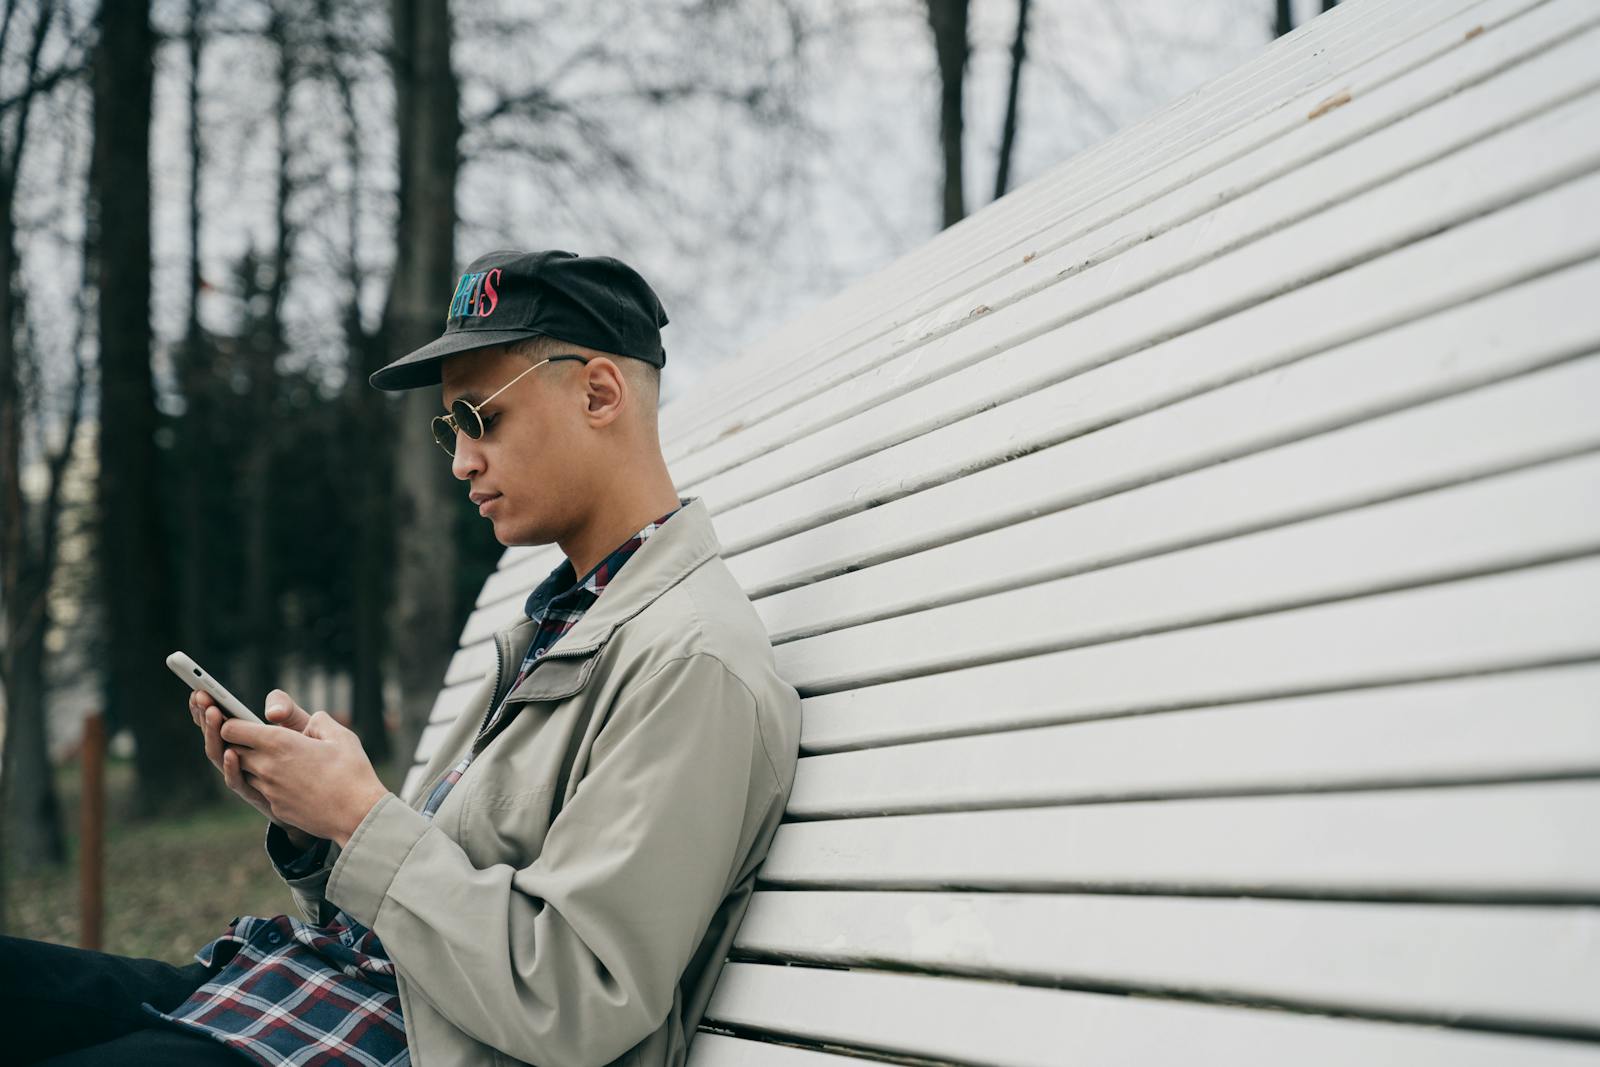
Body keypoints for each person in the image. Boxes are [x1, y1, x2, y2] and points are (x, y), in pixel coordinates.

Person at [2, 249, 804, 1066]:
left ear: (599, 393)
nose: (461, 460)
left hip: (392, 1039)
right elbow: (431, 902)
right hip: (316, 998)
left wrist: (358, 816)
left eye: (481, 418)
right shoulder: (566, 620)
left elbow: (576, 996)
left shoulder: (693, 660)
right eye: (451, 428)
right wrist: (318, 830)